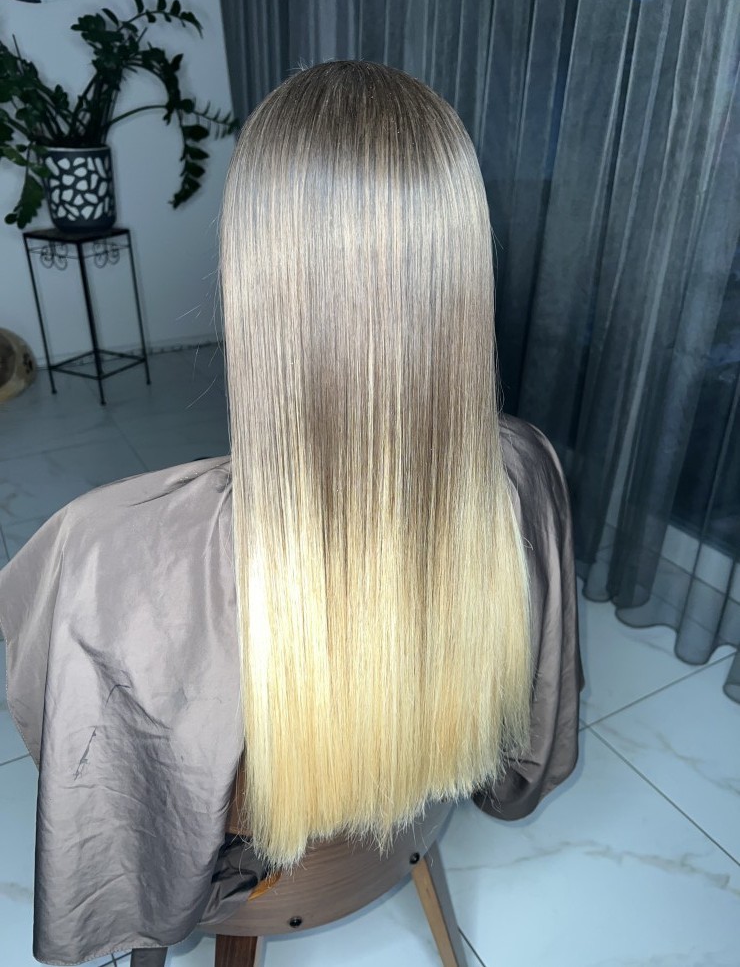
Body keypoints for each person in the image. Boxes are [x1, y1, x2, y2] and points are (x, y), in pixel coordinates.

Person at [0, 60, 582, 965]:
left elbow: (97, 776)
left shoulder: (111, 549)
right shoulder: (525, 464)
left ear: (255, 264)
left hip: (267, 875)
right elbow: (534, 721)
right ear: (460, 258)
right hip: (410, 815)